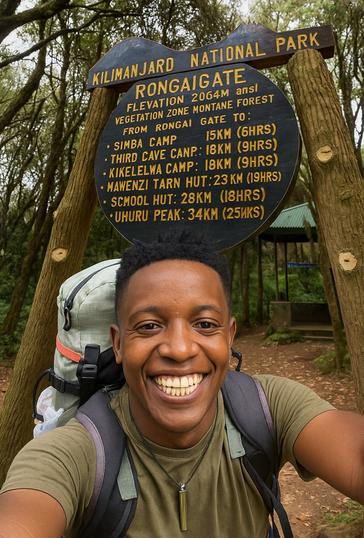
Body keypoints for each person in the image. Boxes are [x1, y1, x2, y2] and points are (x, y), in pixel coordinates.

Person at [0, 231, 363, 537]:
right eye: (148, 325)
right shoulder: (74, 454)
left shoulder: (268, 407)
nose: (178, 349)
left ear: (229, 335)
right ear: (119, 343)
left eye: (205, 324)